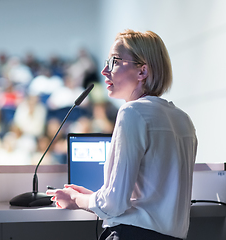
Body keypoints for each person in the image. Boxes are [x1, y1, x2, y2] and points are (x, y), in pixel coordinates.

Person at [46, 30, 198, 240]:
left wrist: (75, 200)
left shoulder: (132, 112)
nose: (104, 71)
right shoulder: (183, 119)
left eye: (114, 62)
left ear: (142, 71)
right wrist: (93, 197)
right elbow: (150, 199)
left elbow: (115, 204)